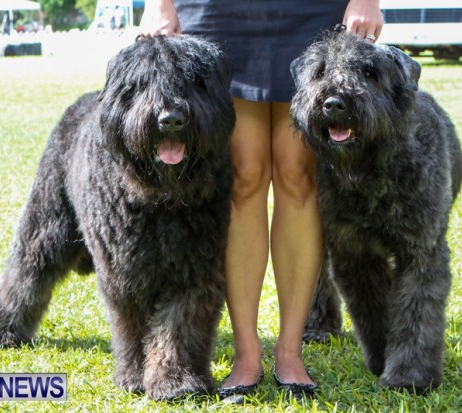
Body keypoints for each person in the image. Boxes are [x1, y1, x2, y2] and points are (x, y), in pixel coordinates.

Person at [139, 0, 383, 401]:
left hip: (311, 12)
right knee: (244, 178)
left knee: (297, 175)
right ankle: (246, 354)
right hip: (221, 11)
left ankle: (290, 352)